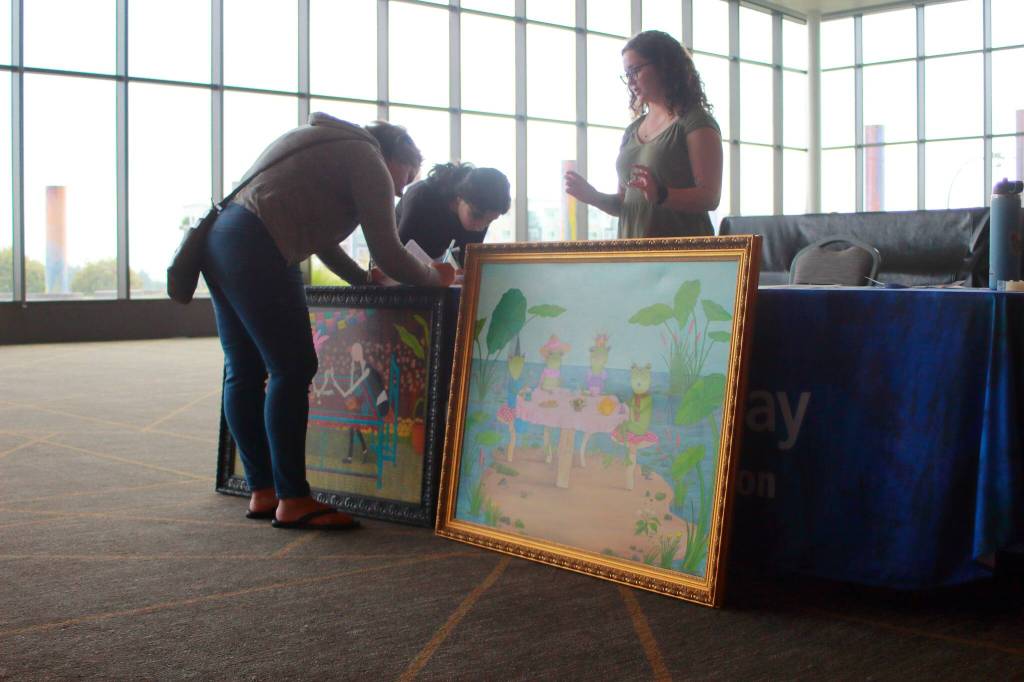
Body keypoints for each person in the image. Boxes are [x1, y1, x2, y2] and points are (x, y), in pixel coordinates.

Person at [202, 113, 455, 531]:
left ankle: (264, 489)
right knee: (293, 367)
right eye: (407, 174)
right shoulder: (367, 158)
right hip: (259, 245)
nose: (404, 188)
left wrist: (360, 281)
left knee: (244, 371)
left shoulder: (322, 142)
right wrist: (436, 277)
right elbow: (389, 251)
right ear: (394, 156)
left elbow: (321, 239)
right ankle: (293, 498)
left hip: (222, 238)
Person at [564, 30, 722, 239]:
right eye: (626, 74)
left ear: (665, 67)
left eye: (635, 70)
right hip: (635, 258)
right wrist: (594, 197)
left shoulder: (695, 121)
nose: (630, 81)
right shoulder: (632, 131)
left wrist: (662, 194)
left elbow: (709, 197)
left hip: (682, 259)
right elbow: (626, 203)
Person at [397, 162, 511, 266]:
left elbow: (467, 264)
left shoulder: (480, 214)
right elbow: (397, 252)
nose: (480, 227)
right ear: (459, 197)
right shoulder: (422, 198)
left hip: (430, 266)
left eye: (489, 221)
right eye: (476, 215)